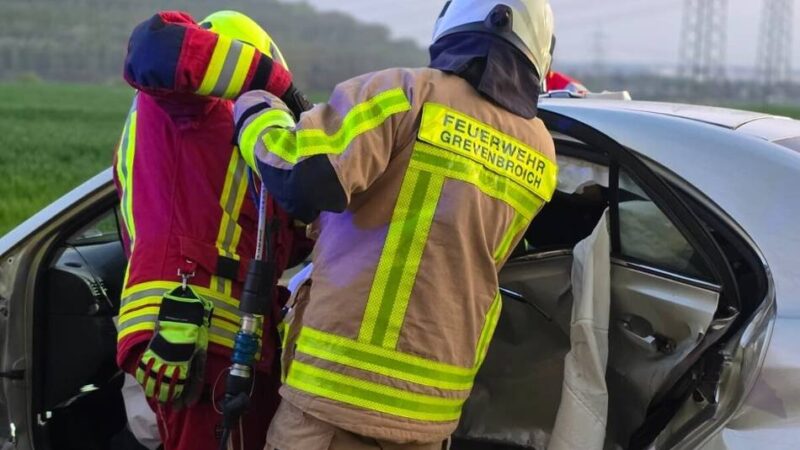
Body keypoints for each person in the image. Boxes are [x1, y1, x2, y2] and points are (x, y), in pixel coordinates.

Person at [232, 0, 559, 448]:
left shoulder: (409, 92)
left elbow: (303, 177)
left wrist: (256, 111)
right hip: (432, 413)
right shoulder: (541, 150)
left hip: (337, 401)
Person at [112, 10, 312, 450]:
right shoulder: (187, 103)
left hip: (230, 338)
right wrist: (281, 89)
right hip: (191, 329)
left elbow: (275, 240)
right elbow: (155, 45)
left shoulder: (222, 138)